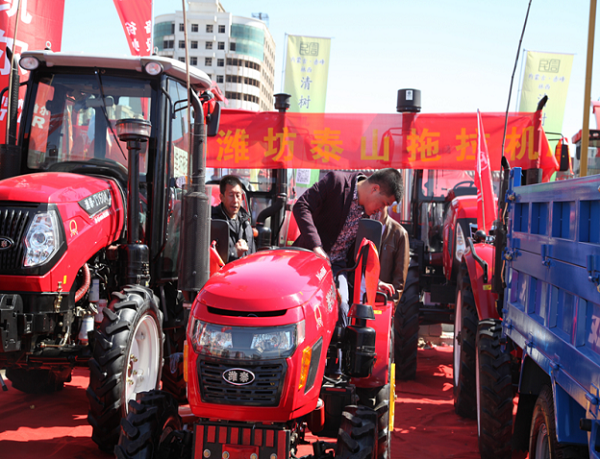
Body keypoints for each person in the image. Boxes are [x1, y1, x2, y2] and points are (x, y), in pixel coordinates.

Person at [293, 168, 403, 327]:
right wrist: (316, 246)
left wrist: (375, 281)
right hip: (309, 260)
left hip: (338, 268)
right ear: (374, 189)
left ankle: (337, 352)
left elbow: (363, 254)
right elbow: (301, 206)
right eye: (384, 203)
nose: (382, 209)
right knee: (304, 307)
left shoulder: (371, 215)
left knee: (342, 307)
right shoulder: (336, 182)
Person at [211, 175, 256, 262]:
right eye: (231, 195)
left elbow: (252, 256)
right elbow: (209, 260)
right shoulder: (213, 223)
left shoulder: (246, 224)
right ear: (222, 197)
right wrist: (234, 253)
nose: (235, 200)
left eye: (238, 196)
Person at [376, 204, 410, 303]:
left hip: (382, 301)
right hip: (359, 298)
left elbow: (399, 280)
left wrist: (390, 307)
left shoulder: (400, 234)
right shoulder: (360, 226)